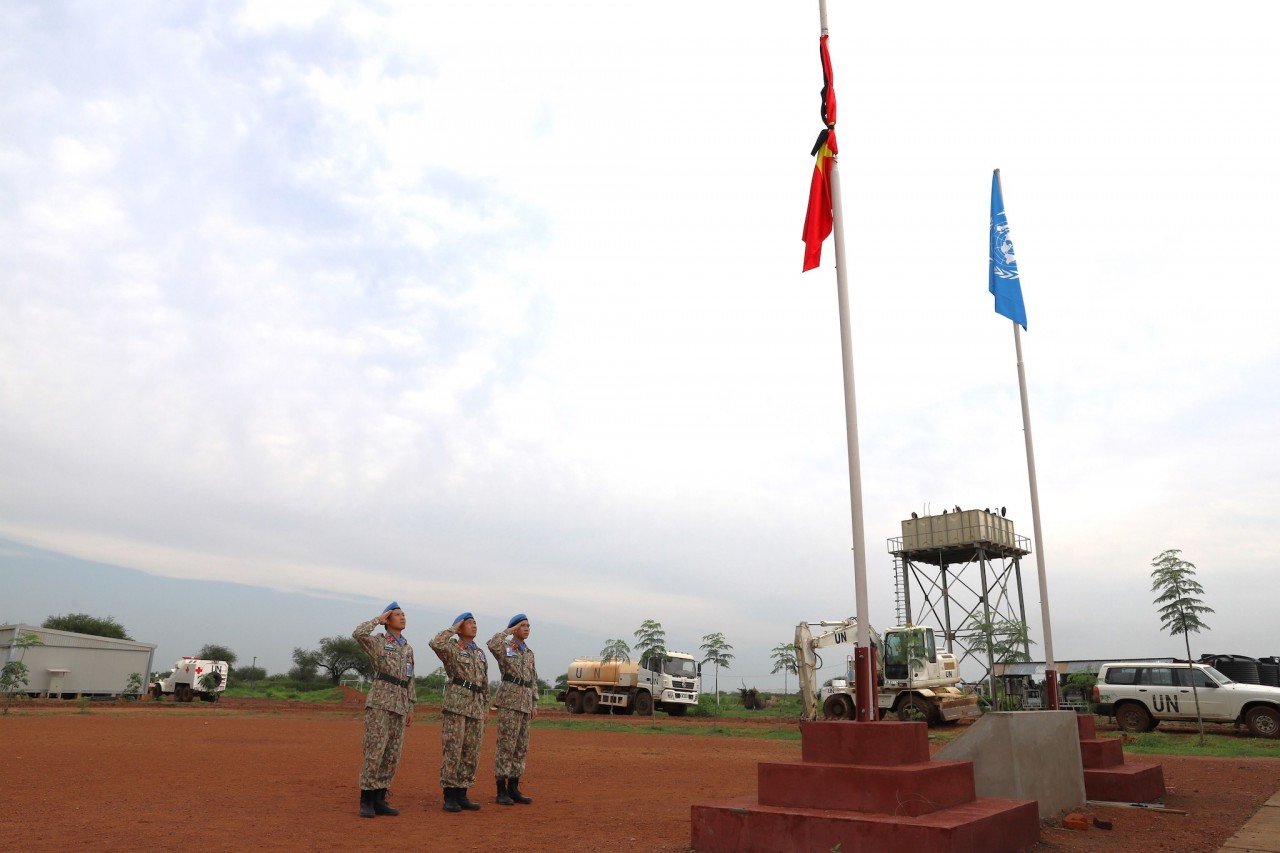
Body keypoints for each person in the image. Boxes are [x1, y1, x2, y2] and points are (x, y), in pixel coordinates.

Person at [352, 601, 415, 818]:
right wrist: (377, 620)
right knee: (375, 750)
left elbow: (409, 678)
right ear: (388, 620)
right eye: (397, 615)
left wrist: (410, 705)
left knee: (391, 754)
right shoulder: (378, 642)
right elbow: (358, 634)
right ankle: (366, 800)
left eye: (403, 614)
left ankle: (380, 798)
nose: (403, 617)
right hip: (380, 702)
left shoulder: (407, 648)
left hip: (399, 703)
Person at [430, 612, 489, 813]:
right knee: (453, 749)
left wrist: (486, 706)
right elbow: (435, 643)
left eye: (475, 623)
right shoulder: (452, 647)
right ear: (460, 627)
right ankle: (450, 795)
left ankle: (463, 793)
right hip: (457, 704)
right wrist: (453, 629)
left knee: (471, 751)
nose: (474, 626)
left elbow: (485, 681)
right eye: (469, 623)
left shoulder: (480, 652)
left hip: (476, 705)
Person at [487, 613, 537, 805]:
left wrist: (534, 703)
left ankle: (514, 788)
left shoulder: (529, 653)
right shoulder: (505, 648)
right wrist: (508, 631)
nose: (526, 628)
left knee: (520, 747)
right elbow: (491, 643)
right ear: (515, 628)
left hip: (525, 703)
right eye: (522, 625)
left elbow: (533, 679)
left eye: (528, 625)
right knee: (506, 745)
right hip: (509, 701)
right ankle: (501, 789)